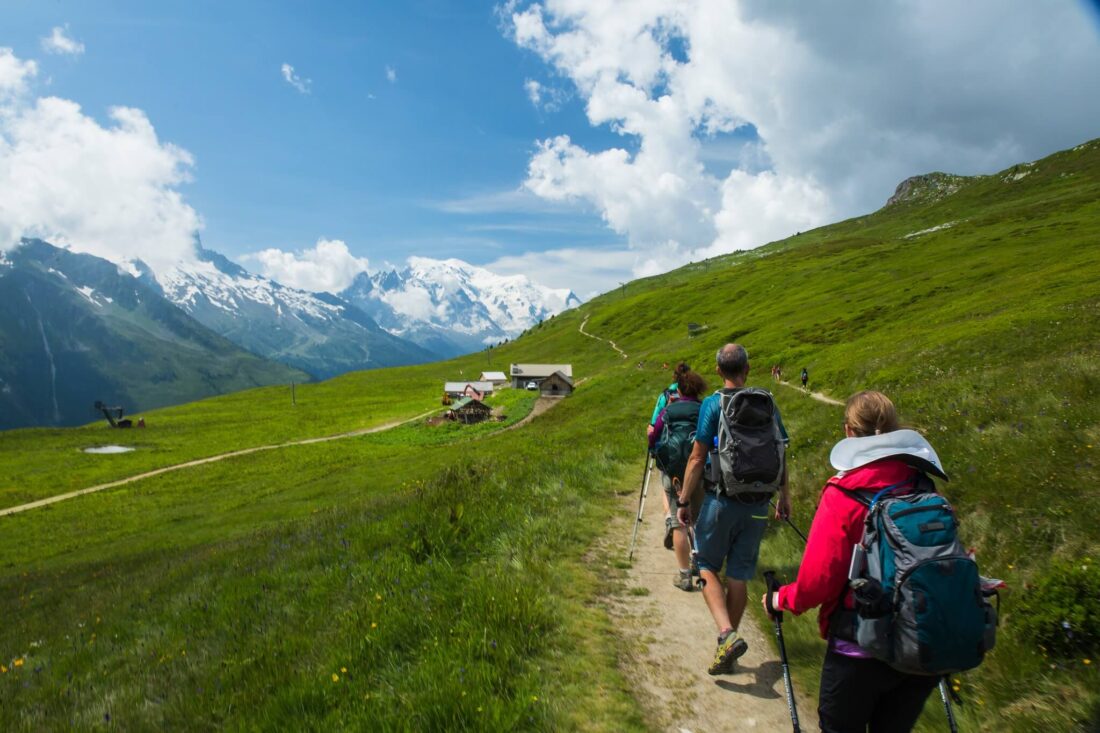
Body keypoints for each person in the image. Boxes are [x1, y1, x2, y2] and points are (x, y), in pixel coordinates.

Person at [762, 391, 941, 732]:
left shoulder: (844, 493)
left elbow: (819, 582)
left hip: (859, 646)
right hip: (919, 642)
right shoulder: (921, 481)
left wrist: (779, 599)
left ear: (848, 432)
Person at [676, 344, 791, 674]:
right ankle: (729, 645)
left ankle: (726, 634)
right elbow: (780, 449)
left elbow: (697, 458)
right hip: (758, 504)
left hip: (722, 500)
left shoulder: (713, 404)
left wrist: (684, 500)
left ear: (717, 371)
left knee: (707, 563)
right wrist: (785, 496)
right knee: (739, 575)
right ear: (748, 368)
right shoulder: (767, 402)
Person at [649, 368, 707, 590]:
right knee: (698, 520)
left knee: (678, 522)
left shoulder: (669, 410)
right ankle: (697, 563)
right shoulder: (703, 409)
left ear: (679, 390)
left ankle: (684, 576)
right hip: (698, 472)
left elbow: (654, 436)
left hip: (673, 474)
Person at [647, 362, 691, 546]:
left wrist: (652, 447)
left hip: (667, 451)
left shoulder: (665, 395)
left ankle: (670, 520)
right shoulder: (694, 395)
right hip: (690, 453)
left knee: (668, 489)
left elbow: (653, 424)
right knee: (689, 491)